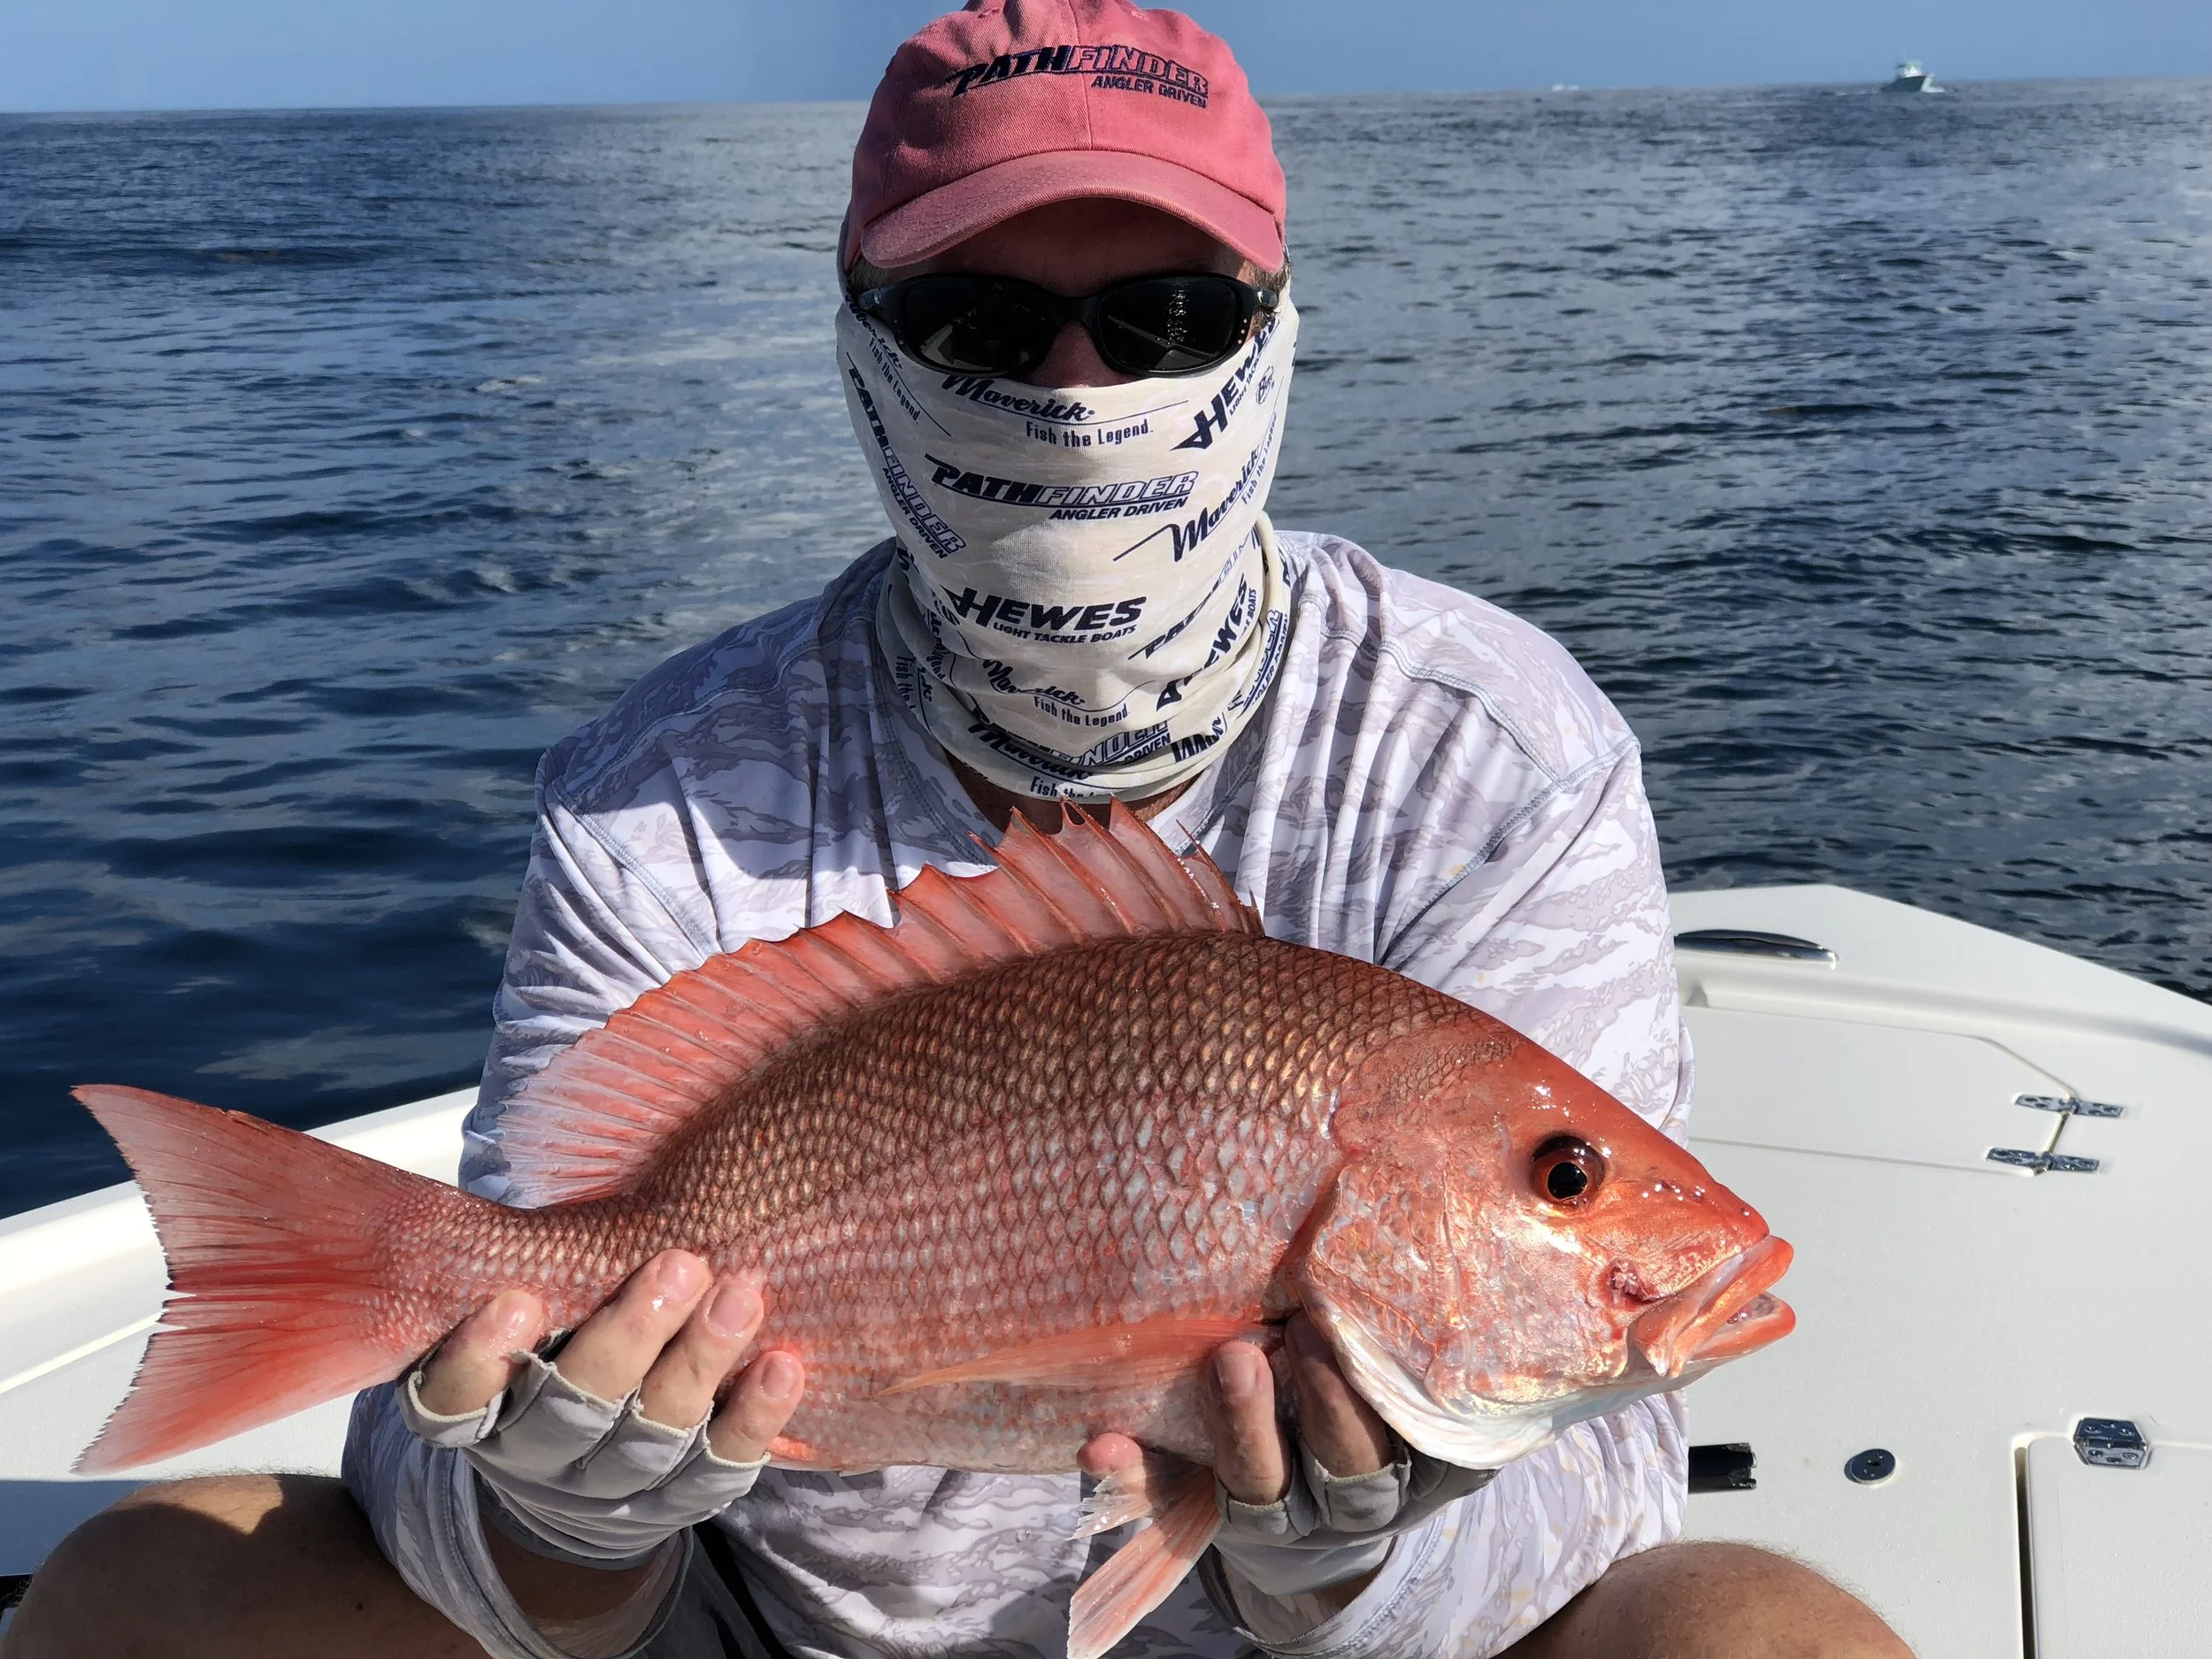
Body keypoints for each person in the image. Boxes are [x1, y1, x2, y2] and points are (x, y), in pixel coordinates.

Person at [4, 4, 1915, 1657]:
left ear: (1268, 336)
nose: (1079, 394)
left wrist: (1332, 1577)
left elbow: (1590, 1487)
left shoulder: (1488, 754)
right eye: (985, 326)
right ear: (861, 341)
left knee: (1764, 1629)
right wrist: (566, 1521)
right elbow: (459, 1492)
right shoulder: (661, 784)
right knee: (132, 1596)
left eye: (1162, 315)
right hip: (760, 1621)